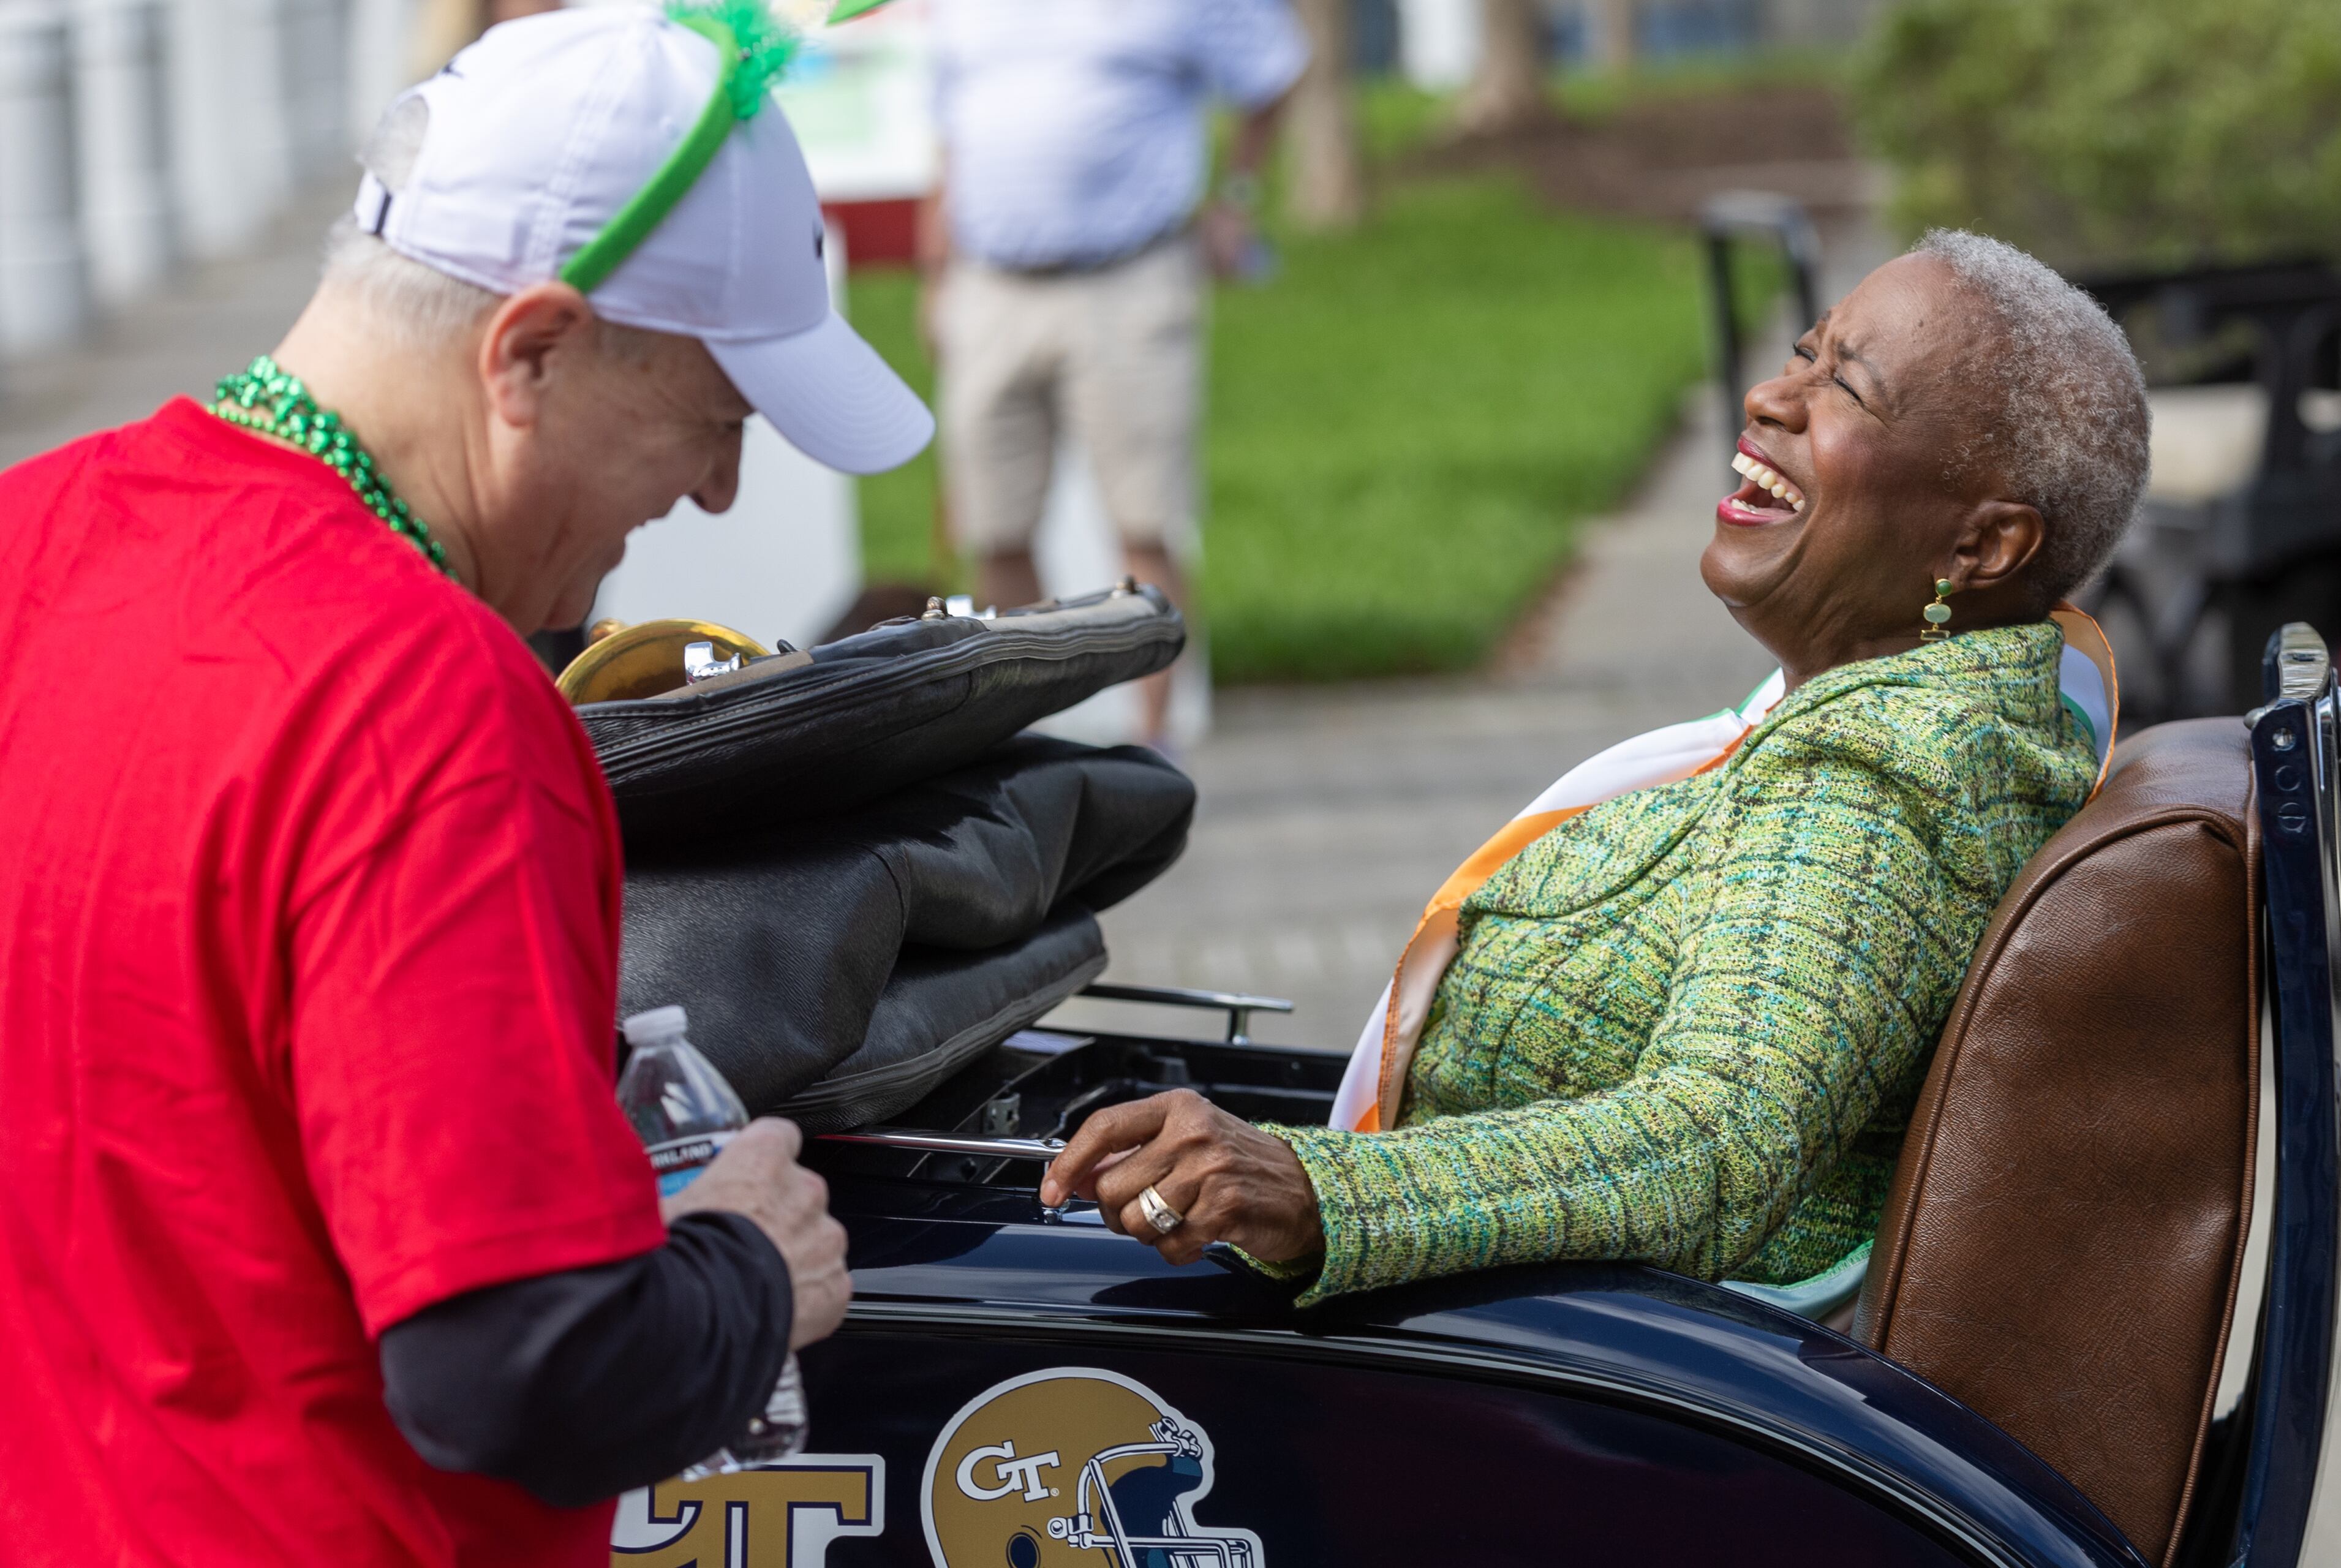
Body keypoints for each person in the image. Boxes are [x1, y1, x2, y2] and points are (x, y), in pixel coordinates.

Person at [0, 9, 932, 1564]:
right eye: (714, 421)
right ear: (532, 351)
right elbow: (519, 1364)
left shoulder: (28, 541)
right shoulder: (420, 702)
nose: (715, 490)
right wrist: (741, 1268)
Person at [1041, 232, 2152, 1316]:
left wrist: (1316, 1189)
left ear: (1981, 549)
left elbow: (1715, 1146)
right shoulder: (1949, 706)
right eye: (1804, 351)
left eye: (1845, 389)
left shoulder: (1877, 775)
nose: (1772, 396)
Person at [924, 0, 1309, 742]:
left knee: (1143, 524)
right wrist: (935, 270)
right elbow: (947, 132)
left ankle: (1153, 750)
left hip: (1131, 276)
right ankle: (1023, 745)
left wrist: (1236, 201)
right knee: (995, 528)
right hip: (989, 282)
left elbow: (1275, 70)